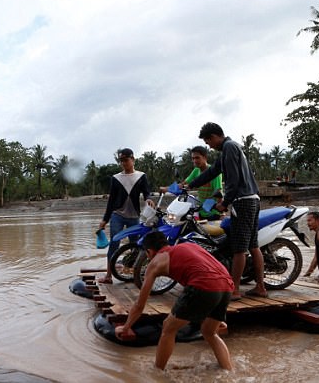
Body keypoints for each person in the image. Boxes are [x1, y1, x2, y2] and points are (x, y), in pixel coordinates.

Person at [115, 231, 233, 371]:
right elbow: (205, 272)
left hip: (204, 285)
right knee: (210, 333)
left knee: (168, 328)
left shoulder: (156, 262)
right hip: (227, 285)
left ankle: (158, 372)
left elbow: (140, 304)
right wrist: (213, 313)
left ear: (149, 252)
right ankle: (228, 371)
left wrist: (126, 327)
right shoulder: (189, 246)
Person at [189, 123, 266, 300]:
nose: (209, 145)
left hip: (242, 202)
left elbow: (233, 179)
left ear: (216, 136)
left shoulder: (229, 148)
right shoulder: (229, 149)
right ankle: (260, 287)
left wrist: (225, 202)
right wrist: (189, 185)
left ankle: (235, 290)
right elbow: (213, 172)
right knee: (253, 245)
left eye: (209, 141)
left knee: (239, 248)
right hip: (252, 199)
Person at [98, 148, 154, 284]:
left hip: (134, 216)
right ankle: (108, 276)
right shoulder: (116, 178)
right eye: (121, 160)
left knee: (135, 245)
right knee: (114, 244)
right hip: (117, 216)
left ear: (133, 159)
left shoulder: (141, 176)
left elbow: (147, 192)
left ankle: (134, 273)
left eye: (126, 160)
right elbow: (111, 201)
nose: (124, 163)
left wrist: (149, 199)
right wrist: (105, 220)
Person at [160, 145, 223, 220]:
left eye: (197, 158)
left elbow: (218, 193)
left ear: (205, 157)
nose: (194, 161)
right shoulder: (196, 170)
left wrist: (212, 208)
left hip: (212, 212)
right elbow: (184, 184)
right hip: (199, 211)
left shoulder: (214, 172)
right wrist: (167, 189)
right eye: (193, 158)